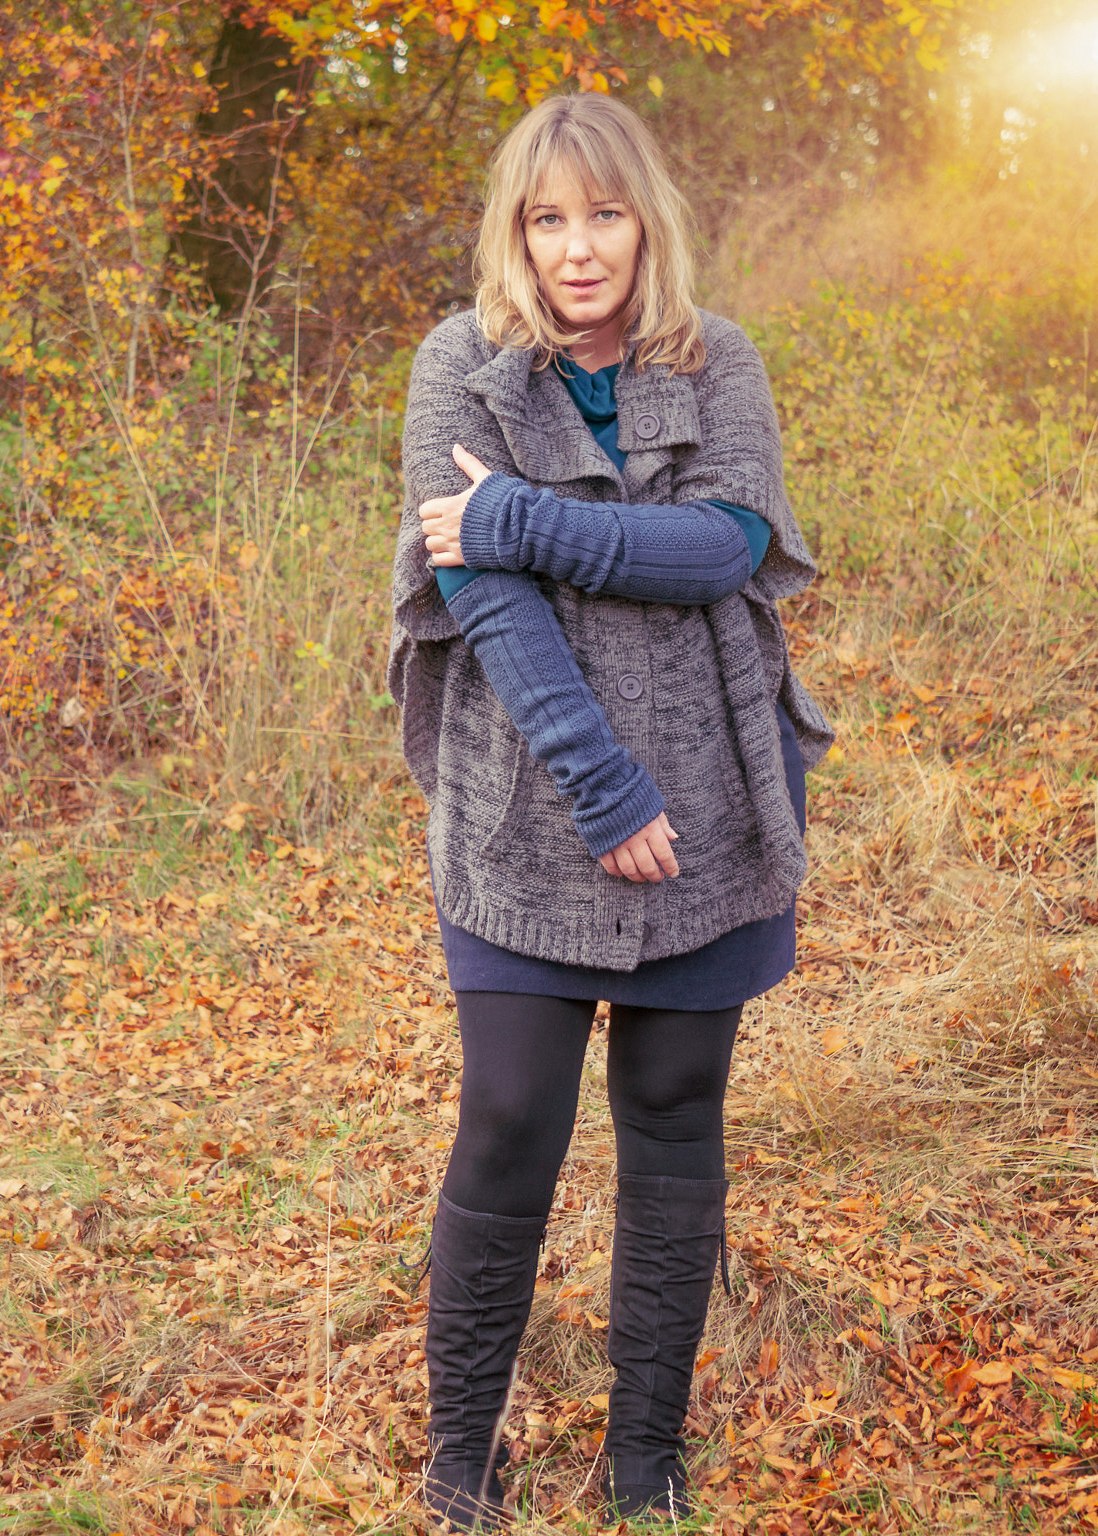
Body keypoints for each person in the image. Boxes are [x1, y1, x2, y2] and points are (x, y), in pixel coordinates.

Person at [389, 91, 833, 1526]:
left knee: (672, 1111)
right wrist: (602, 787)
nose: (578, 249)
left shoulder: (720, 361)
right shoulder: (461, 366)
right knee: (511, 1116)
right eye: (547, 218)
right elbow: (482, 604)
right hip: (529, 808)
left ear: (649, 221)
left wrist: (518, 513)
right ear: (514, 233)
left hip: (713, 801)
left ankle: (645, 1456)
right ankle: (463, 1452)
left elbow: (724, 548)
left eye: (605, 213)